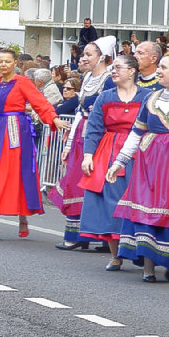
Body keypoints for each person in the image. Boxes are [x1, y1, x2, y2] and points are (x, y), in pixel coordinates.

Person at [111, 48, 169, 282]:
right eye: (158, 67)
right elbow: (137, 132)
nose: (158, 71)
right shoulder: (151, 97)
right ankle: (148, 267)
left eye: (163, 67)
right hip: (149, 163)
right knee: (146, 213)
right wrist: (120, 161)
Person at [0, 47, 58, 239]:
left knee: (18, 174)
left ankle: (22, 217)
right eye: (0, 61)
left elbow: (40, 102)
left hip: (16, 133)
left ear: (15, 63)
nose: (3, 64)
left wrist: (53, 119)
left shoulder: (22, 82)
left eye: (7, 61)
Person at [49, 37, 114, 251]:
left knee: (96, 185)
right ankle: (78, 234)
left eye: (89, 54)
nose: (83, 58)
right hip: (82, 136)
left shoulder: (109, 80)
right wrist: (68, 146)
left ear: (102, 57)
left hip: (100, 136)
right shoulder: (86, 78)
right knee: (75, 181)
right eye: (83, 54)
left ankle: (103, 237)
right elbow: (79, 112)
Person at [80, 53, 144, 268]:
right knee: (110, 202)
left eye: (118, 67)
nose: (113, 71)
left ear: (132, 71)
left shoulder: (147, 96)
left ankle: (141, 249)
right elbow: (94, 128)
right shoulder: (105, 96)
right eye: (112, 68)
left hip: (139, 152)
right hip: (109, 152)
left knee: (139, 200)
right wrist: (88, 156)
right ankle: (115, 254)